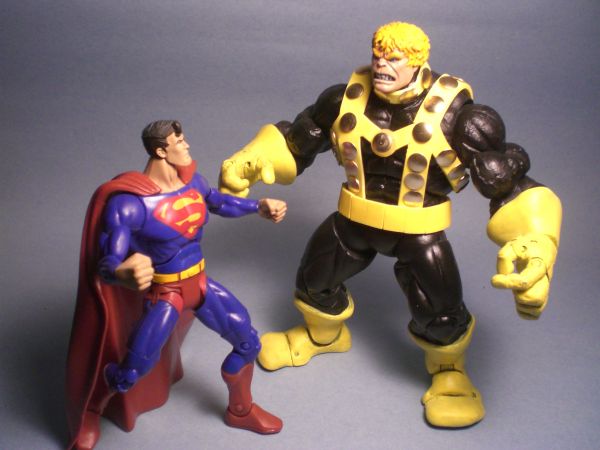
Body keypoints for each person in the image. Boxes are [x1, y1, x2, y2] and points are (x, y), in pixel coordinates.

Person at [219, 22, 561, 428]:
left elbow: (511, 185)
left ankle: (449, 373)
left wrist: (536, 242)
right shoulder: (344, 99)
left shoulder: (461, 117)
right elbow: (296, 141)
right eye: (378, 55)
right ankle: (322, 336)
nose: (382, 65)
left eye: (394, 58)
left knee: (441, 312)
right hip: (354, 220)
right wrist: (252, 158)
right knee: (313, 281)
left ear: (418, 63)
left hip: (418, 232)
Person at [66, 120, 286, 449]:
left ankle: (240, 410)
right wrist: (123, 272)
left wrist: (258, 206)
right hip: (166, 295)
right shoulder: (129, 204)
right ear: (161, 150)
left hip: (200, 284)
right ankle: (91, 410)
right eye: (179, 141)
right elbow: (106, 262)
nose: (186, 146)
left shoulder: (193, 183)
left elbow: (219, 202)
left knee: (248, 342)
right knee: (131, 371)